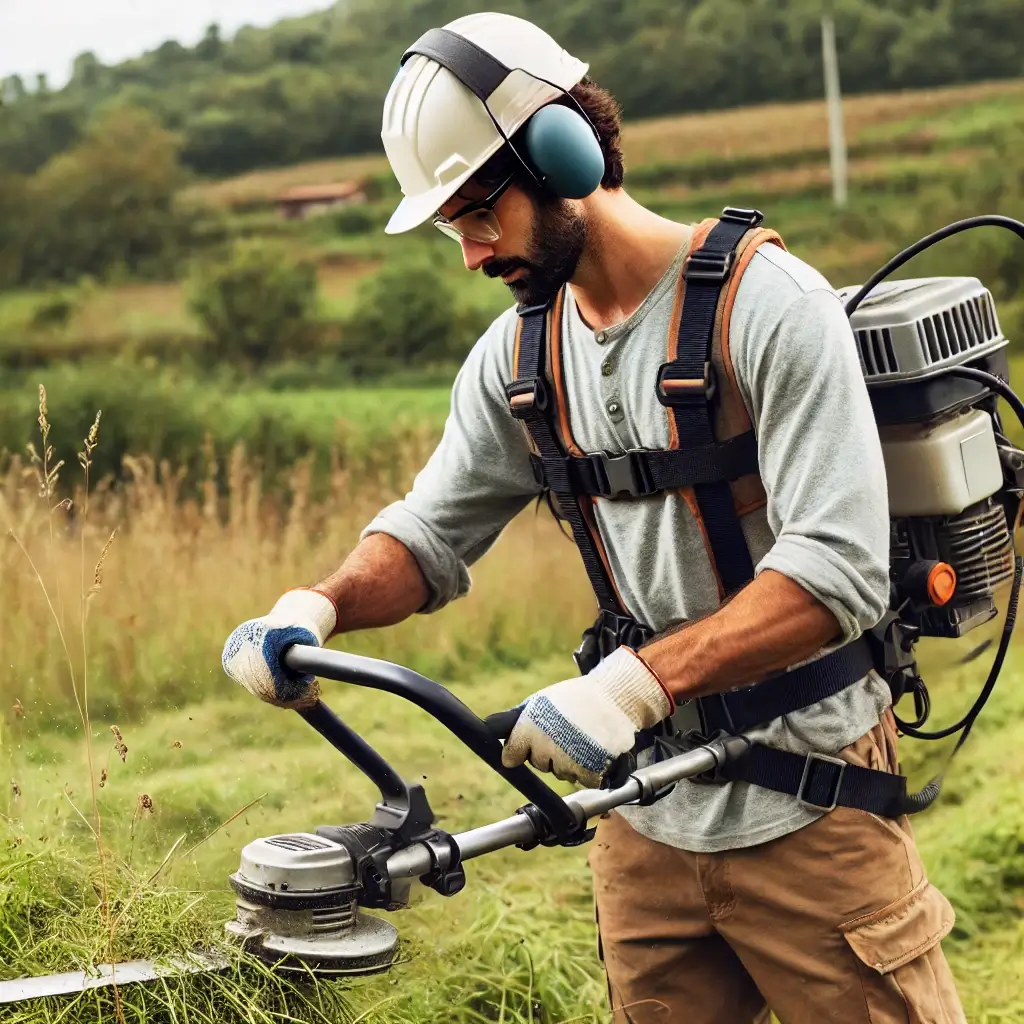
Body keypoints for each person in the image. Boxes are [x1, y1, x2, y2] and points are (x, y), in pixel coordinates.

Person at [221, 12, 966, 1023]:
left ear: (562, 152)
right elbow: (429, 534)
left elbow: (835, 573)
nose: (471, 254)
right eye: (452, 225)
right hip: (644, 816)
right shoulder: (516, 360)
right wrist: (315, 608)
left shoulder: (770, 307)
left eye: (479, 212)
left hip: (813, 801)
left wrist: (632, 686)